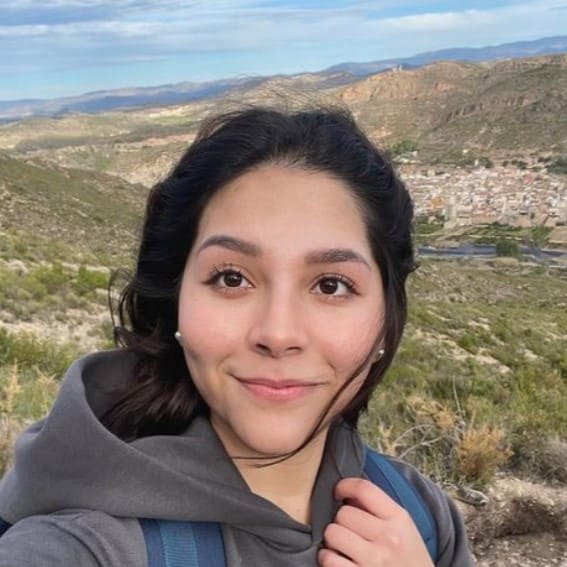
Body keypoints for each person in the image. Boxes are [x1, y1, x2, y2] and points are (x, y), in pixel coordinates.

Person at [0, 106, 474, 566]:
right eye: (232, 279)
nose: (278, 334)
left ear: (386, 316)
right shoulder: (88, 545)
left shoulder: (418, 514)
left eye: (331, 285)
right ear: (176, 299)